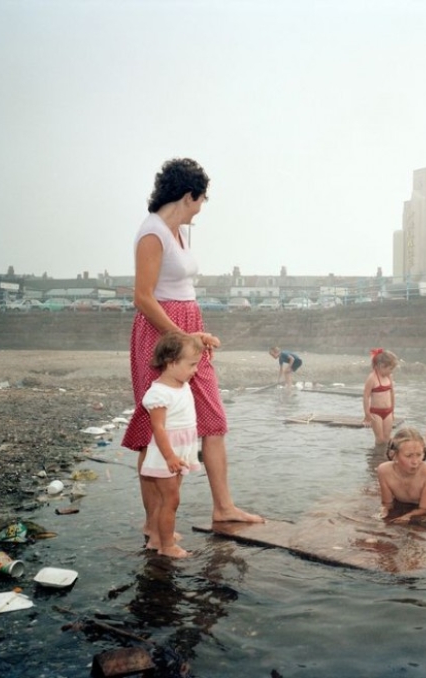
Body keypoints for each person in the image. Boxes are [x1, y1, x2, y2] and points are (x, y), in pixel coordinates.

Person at [122, 157, 262, 534]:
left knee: (213, 419)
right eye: (201, 200)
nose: (201, 208)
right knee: (157, 426)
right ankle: (154, 526)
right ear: (188, 196)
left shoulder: (183, 231)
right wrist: (182, 337)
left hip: (188, 326)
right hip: (160, 331)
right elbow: (143, 297)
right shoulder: (152, 233)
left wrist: (194, 332)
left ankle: (224, 507)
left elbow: (180, 286)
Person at [141, 332, 203, 558]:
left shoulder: (181, 384)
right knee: (171, 500)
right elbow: (158, 428)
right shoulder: (159, 393)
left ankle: (158, 538)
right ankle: (166, 546)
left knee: (167, 497)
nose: (195, 369)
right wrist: (169, 457)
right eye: (191, 364)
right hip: (166, 454)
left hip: (180, 451)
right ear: (171, 362)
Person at [362, 348, 399, 445]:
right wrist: (367, 414)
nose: (391, 372)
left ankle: (386, 457)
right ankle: (377, 458)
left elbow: (392, 393)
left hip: (388, 411)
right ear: (381, 366)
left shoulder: (389, 377)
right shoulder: (372, 378)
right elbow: (366, 396)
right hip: (376, 412)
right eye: (390, 369)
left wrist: (392, 411)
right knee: (380, 439)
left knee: (387, 438)